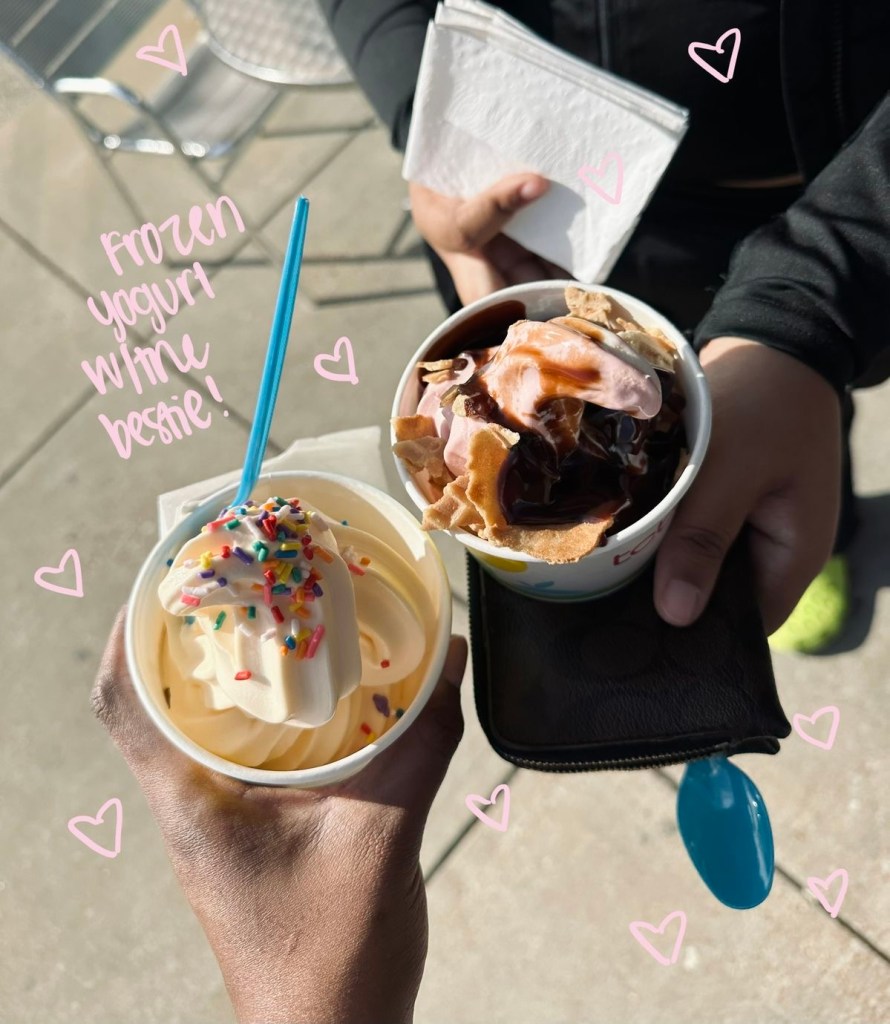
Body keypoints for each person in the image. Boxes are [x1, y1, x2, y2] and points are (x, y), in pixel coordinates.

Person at [94, 98, 890, 1024]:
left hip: (795, 152)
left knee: (743, 494)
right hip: (549, 206)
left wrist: (802, 321)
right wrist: (425, 113)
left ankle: (818, 537)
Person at [318, 0, 890, 651]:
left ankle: (824, 523)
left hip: (814, 191)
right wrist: (426, 115)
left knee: (792, 405)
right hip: (524, 197)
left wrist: (810, 314)